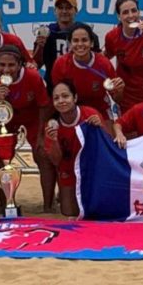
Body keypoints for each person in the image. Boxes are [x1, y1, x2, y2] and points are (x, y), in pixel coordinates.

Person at [0, 45, 56, 212]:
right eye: (2, 65)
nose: (6, 69)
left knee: (43, 153)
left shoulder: (33, 77)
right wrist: (0, 99)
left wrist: (40, 136)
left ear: (20, 64)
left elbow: (44, 106)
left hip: (32, 118)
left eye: (11, 65)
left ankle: (48, 206)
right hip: (5, 121)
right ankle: (6, 203)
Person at [43, 80, 104, 217]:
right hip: (69, 170)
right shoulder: (52, 125)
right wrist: (53, 141)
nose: (61, 101)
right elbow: (56, 160)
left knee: (96, 211)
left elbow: (105, 148)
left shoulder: (90, 115)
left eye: (65, 96)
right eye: (56, 98)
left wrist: (99, 128)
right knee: (69, 211)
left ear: (75, 98)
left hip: (91, 169)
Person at [51, 22, 123, 125]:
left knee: (107, 139)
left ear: (92, 43)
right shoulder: (61, 64)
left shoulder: (103, 63)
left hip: (100, 110)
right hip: (72, 113)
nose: (80, 44)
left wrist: (119, 91)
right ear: (70, 44)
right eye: (75, 40)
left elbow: (117, 99)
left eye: (84, 40)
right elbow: (58, 97)